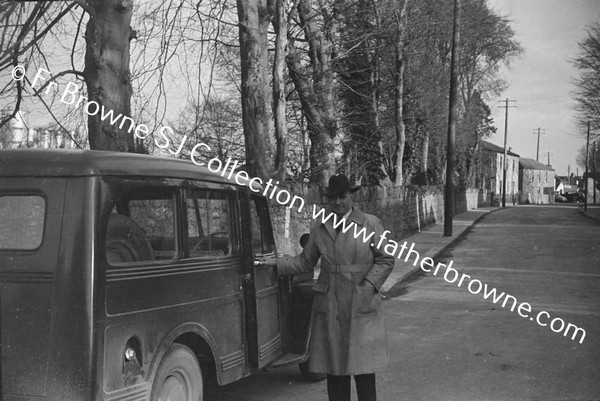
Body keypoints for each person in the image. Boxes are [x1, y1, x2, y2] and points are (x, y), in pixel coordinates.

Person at [260, 174, 394, 401]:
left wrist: (368, 285)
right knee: (334, 369)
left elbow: (385, 259)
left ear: (351, 196)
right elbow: (304, 262)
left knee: (363, 370)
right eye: (332, 198)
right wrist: (275, 264)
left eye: (342, 196)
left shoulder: (370, 223)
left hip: (360, 301)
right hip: (329, 302)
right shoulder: (320, 227)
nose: (337, 203)